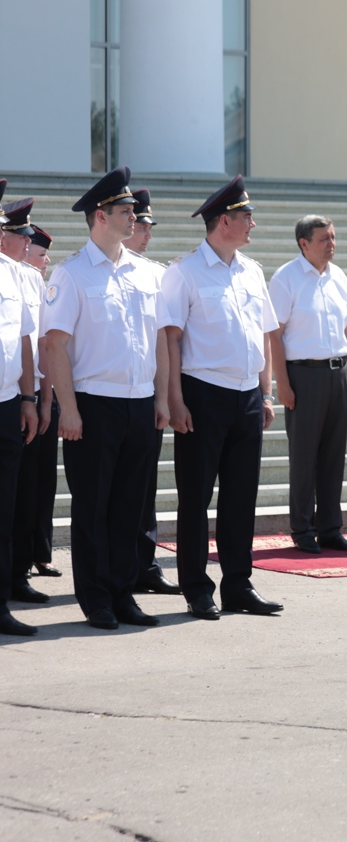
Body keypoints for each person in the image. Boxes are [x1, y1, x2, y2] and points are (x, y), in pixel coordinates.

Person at [42, 167, 170, 630]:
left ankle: (124, 593)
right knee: (93, 506)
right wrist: (69, 408)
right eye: (125, 210)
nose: (134, 217)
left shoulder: (145, 273)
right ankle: (96, 598)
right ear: (100, 216)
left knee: (129, 507)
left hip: (139, 402)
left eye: (133, 210)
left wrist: (160, 398)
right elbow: (53, 344)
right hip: (94, 404)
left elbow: (158, 339)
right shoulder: (72, 274)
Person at [162, 176, 282, 620]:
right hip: (202, 393)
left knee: (240, 496)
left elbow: (263, 336)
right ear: (224, 221)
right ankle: (195, 586)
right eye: (247, 216)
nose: (253, 223)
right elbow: (171, 340)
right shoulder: (184, 271)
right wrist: (174, 399)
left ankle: (238, 584)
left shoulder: (251, 269)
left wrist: (266, 392)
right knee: (196, 496)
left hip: (246, 394)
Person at [268, 215, 347, 554]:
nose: (331, 244)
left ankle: (330, 528)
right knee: (304, 456)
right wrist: (283, 383)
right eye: (324, 239)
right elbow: (274, 335)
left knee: (334, 456)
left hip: (337, 373)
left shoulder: (338, 276)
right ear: (303, 243)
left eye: (333, 237)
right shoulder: (285, 279)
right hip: (303, 376)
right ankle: (303, 529)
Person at [113, 189, 184, 597]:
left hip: (146, 393)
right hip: (111, 394)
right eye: (140, 225)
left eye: (148, 227)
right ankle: (115, 568)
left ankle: (145, 563)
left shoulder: (155, 274)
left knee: (145, 488)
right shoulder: (98, 270)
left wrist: (166, 397)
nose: (146, 234)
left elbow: (165, 340)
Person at [1, 197, 51, 608]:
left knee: (16, 499)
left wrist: (34, 398)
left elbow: (31, 343)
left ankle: (11, 584)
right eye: (19, 232)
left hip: (14, 400)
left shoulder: (22, 277)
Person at [19, 225, 60, 584]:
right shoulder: (19, 280)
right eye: (41, 254)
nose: (46, 262)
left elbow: (46, 347)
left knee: (43, 481)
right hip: (21, 395)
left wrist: (46, 399)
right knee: (23, 484)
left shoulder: (39, 286)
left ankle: (39, 554)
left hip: (41, 394)